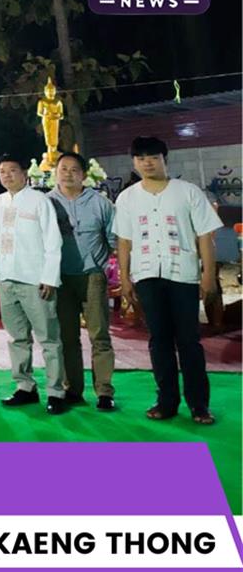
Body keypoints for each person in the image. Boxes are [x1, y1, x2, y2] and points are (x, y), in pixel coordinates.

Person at [115, 136, 222, 425]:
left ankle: (199, 405)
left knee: (189, 340)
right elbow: (124, 241)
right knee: (158, 340)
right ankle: (166, 401)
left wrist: (208, 275)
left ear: (165, 158)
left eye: (153, 157)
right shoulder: (127, 197)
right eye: (140, 158)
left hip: (183, 275)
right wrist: (125, 278)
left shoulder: (188, 192)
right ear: (134, 163)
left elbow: (205, 236)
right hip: (147, 275)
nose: (147, 163)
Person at [0, 156, 66, 415]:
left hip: (35, 281)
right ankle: (25, 386)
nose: (7, 175)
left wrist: (49, 278)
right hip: (6, 279)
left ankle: (56, 391)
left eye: (13, 170)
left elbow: (53, 241)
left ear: (25, 174)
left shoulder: (40, 201)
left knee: (49, 339)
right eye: (2, 171)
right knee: (16, 338)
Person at [48, 152, 118, 411]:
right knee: (67, 337)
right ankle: (72, 389)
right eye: (63, 169)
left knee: (99, 335)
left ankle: (104, 391)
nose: (68, 173)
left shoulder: (100, 203)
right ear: (56, 172)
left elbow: (113, 236)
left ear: (84, 174)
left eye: (74, 169)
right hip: (60, 278)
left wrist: (102, 265)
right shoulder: (46, 203)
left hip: (92, 276)